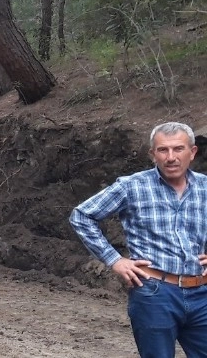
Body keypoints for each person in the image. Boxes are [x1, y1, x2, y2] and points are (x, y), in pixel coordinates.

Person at [69, 122, 207, 358]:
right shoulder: (132, 186)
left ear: (192, 152)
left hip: (202, 293)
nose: (171, 157)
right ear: (153, 154)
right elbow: (82, 216)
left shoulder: (205, 187)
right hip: (155, 293)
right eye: (163, 150)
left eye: (178, 149)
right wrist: (114, 260)